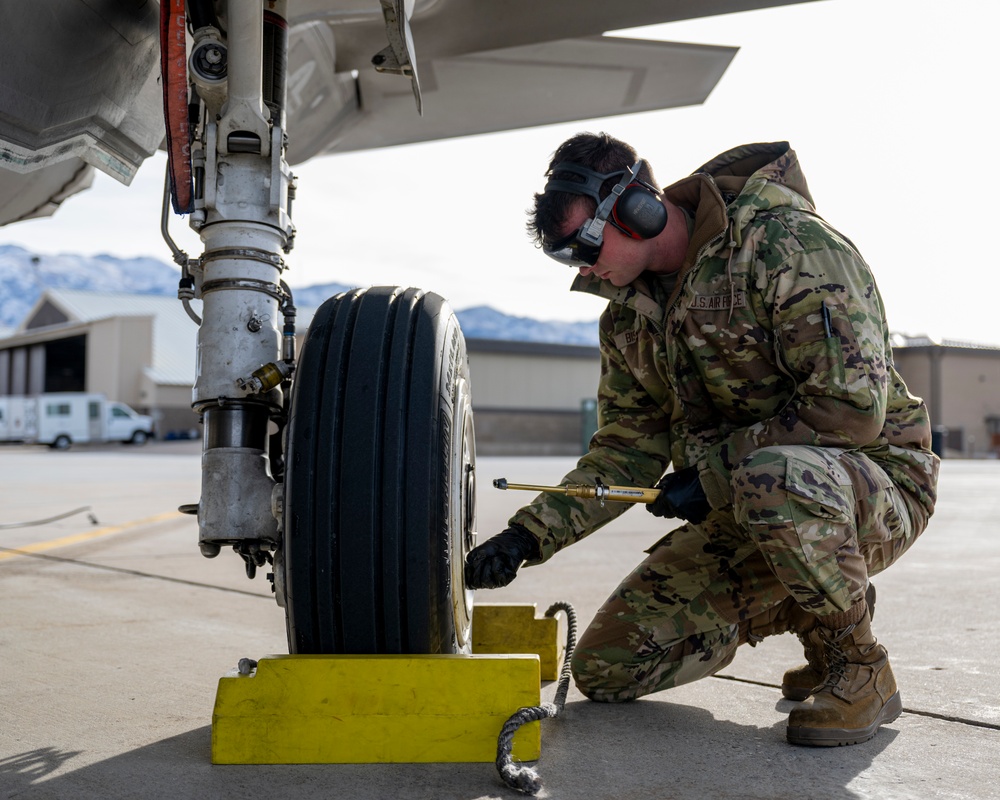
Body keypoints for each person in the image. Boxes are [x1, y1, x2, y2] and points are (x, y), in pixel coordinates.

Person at [465, 133, 939, 747]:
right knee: (608, 668)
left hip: (874, 485)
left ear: (640, 209)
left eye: (583, 244)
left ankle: (861, 664)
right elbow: (624, 451)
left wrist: (711, 476)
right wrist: (527, 536)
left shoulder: (786, 247)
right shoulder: (628, 318)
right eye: (563, 256)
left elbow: (849, 409)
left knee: (776, 481)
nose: (581, 266)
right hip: (756, 501)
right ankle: (805, 604)